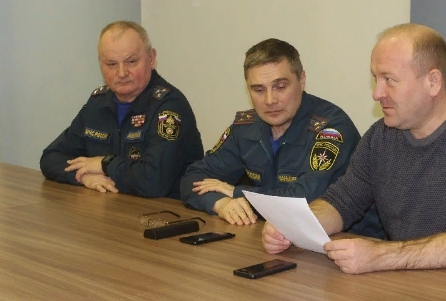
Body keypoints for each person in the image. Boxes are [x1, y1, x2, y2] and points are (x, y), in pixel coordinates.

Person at [262, 23, 446, 274]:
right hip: (408, 279)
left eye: (389, 80)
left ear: (433, 82)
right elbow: (342, 202)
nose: (377, 93)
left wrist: (380, 256)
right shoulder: (381, 136)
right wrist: (293, 226)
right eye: (376, 78)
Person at [181, 38, 380, 235]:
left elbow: (304, 199)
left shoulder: (331, 129)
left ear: (302, 80)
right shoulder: (245, 128)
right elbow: (193, 178)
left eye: (280, 87)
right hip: (274, 235)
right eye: (259, 90)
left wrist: (236, 192)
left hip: (346, 240)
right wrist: (221, 203)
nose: (270, 100)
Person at [40, 21, 203, 198]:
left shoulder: (170, 107)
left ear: (151, 59)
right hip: (112, 207)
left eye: (131, 61)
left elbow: (153, 181)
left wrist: (105, 164)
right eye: (111, 64)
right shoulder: (98, 104)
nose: (122, 73)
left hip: (164, 210)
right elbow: (51, 157)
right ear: (100, 64)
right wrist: (83, 176)